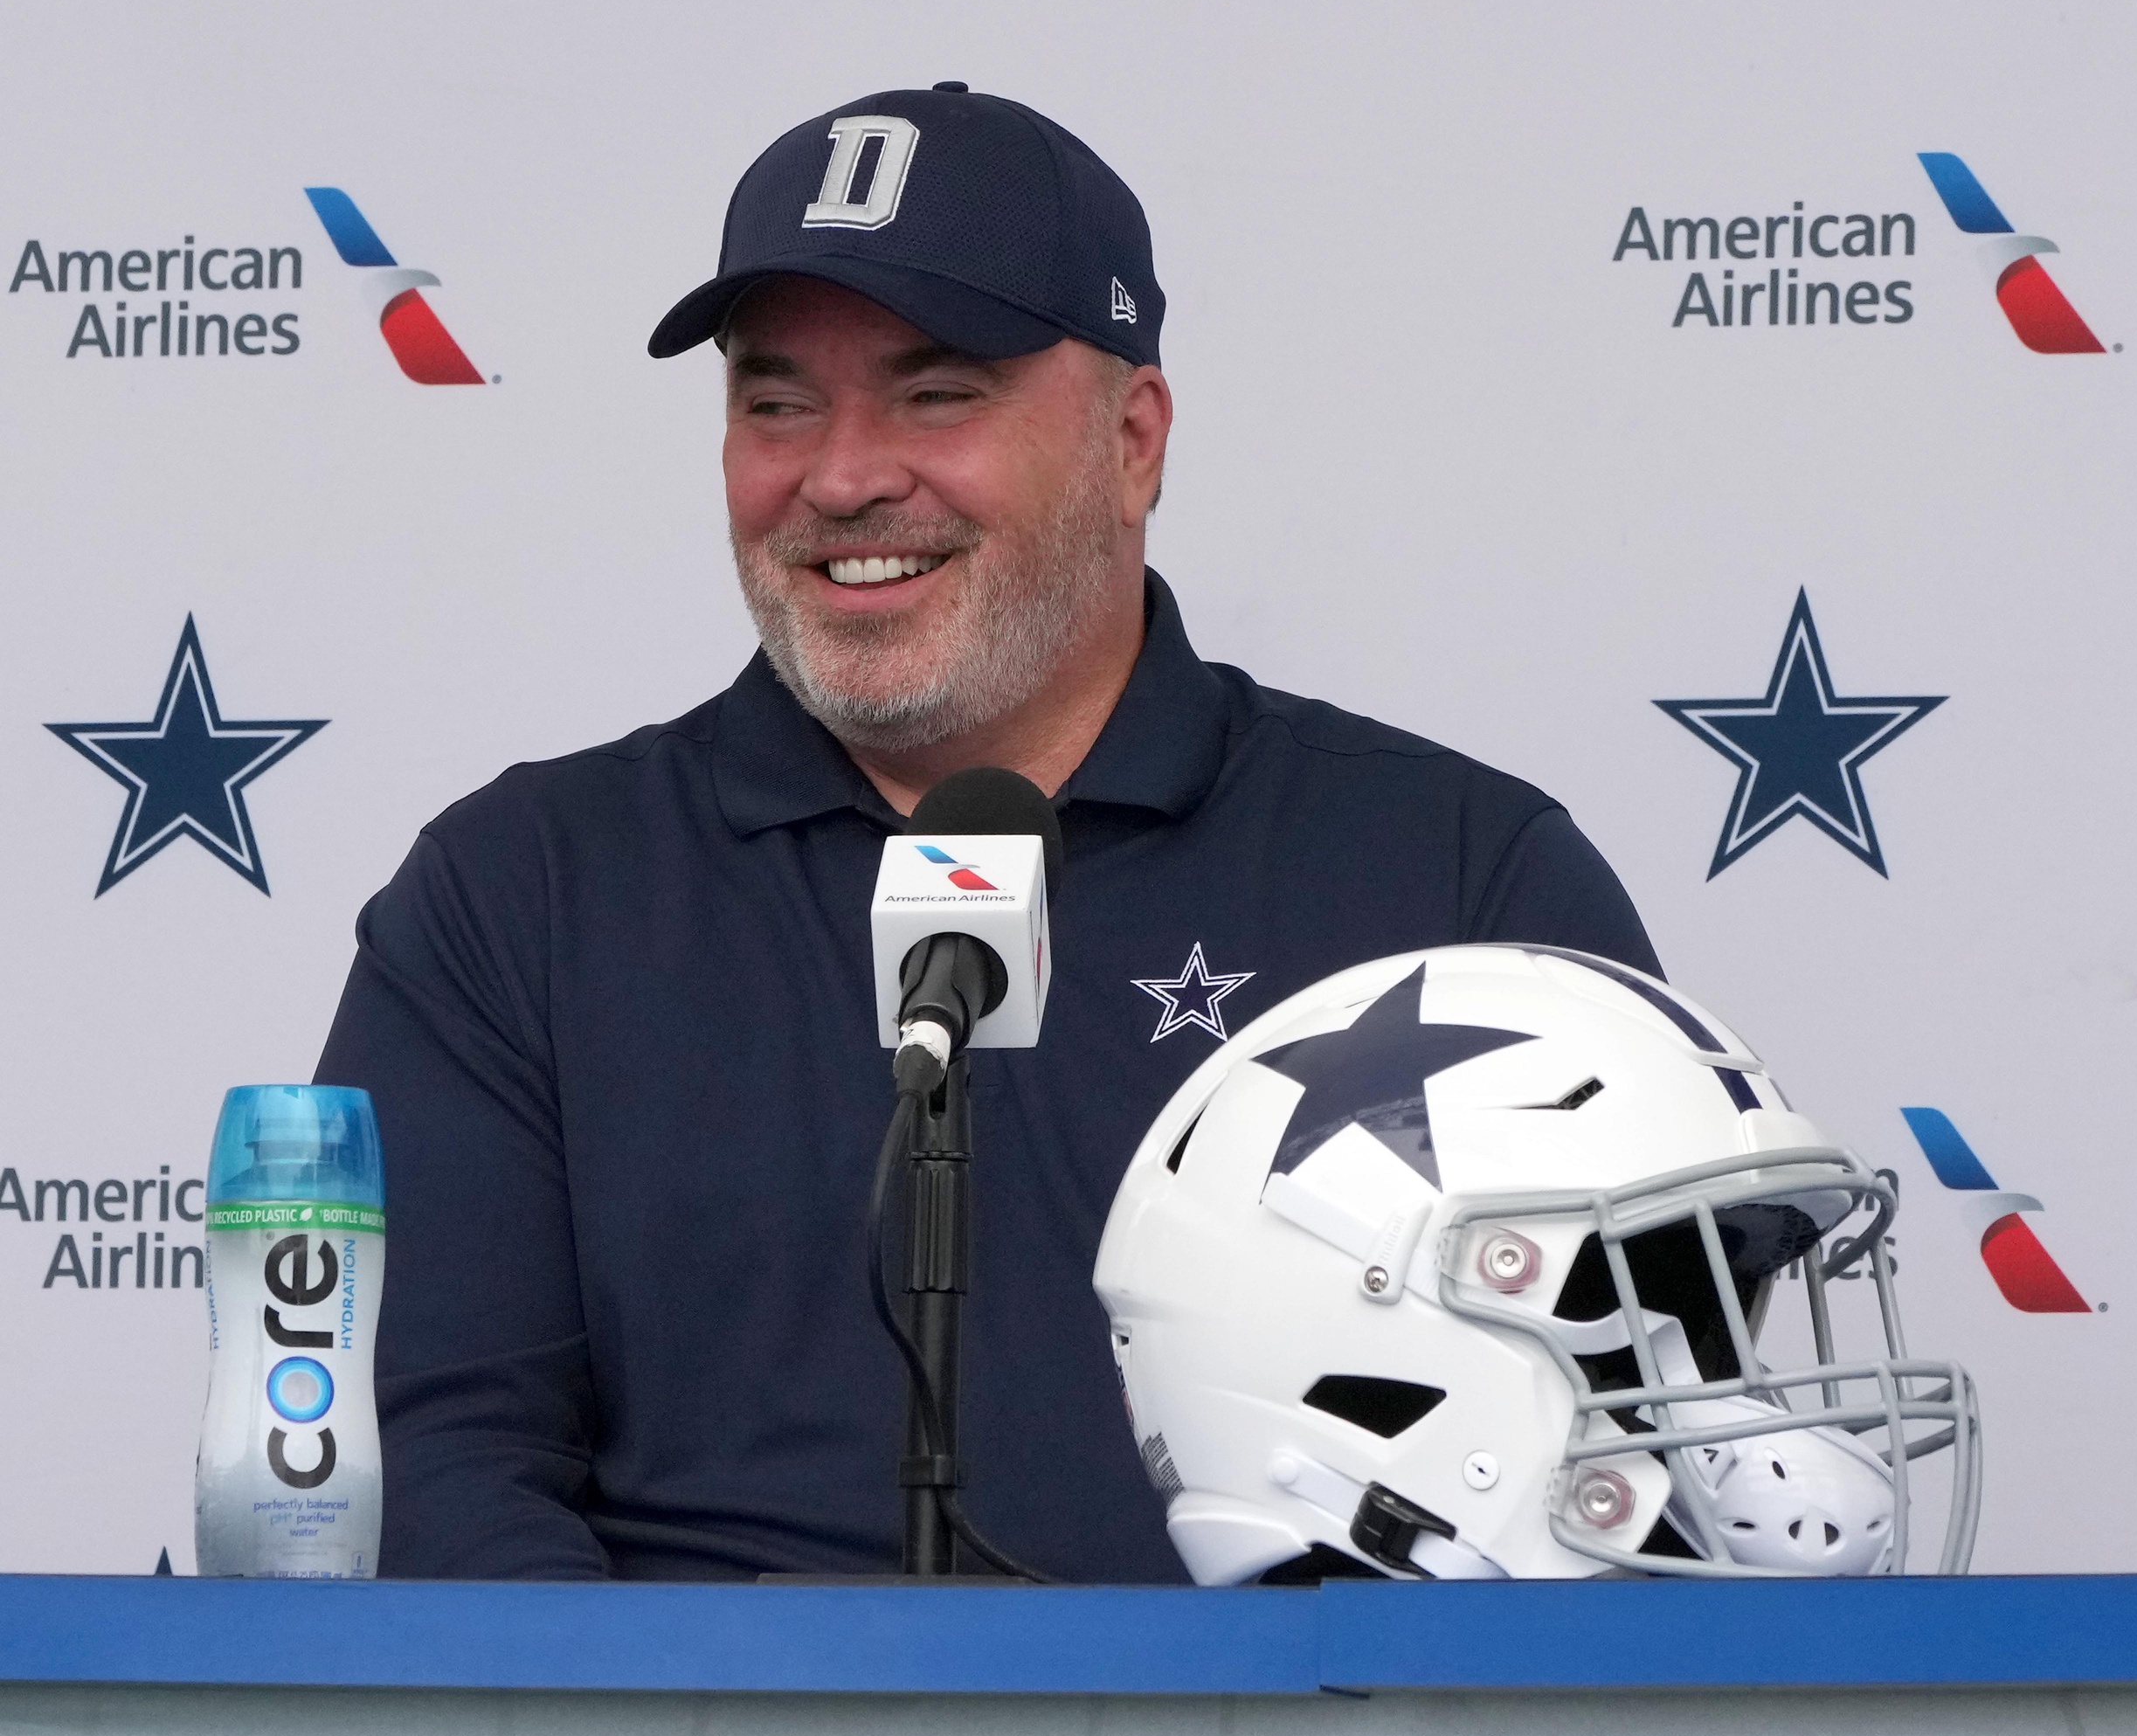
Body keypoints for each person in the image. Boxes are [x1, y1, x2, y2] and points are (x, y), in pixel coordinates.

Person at [317, 84, 1657, 1580]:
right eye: (776, 402)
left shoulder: (1453, 878)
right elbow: (425, 1458)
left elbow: (1610, 1455)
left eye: (937, 393)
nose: (839, 477)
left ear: (1135, 441)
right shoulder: (522, 895)